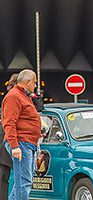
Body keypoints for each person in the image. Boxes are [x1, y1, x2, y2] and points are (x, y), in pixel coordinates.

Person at [2, 69, 41, 200]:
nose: (35, 86)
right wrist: (14, 145)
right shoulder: (14, 97)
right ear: (27, 81)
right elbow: (9, 123)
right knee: (24, 182)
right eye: (34, 83)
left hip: (25, 143)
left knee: (22, 182)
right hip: (21, 143)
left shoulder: (22, 96)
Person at [0, 73, 18, 200]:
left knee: (4, 175)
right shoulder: (12, 98)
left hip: (7, 139)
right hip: (7, 140)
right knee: (4, 175)